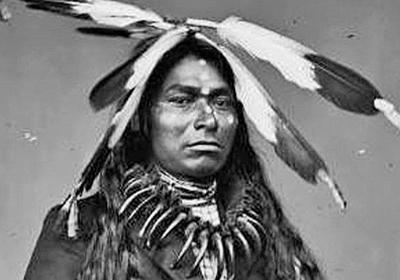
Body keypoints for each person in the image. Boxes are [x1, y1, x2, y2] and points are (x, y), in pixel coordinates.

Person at [24, 35, 324, 280]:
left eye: (221, 102)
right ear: (140, 117)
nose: (208, 119)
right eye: (182, 100)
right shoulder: (79, 229)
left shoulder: (270, 236)